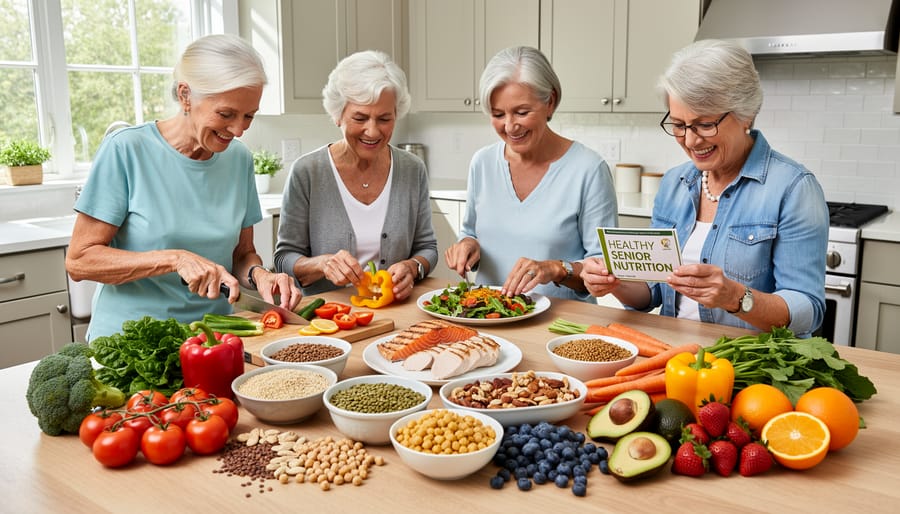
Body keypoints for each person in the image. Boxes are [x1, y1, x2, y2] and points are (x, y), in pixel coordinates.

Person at [582, 39, 828, 337]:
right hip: (676, 361)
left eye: (705, 124)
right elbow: (654, 292)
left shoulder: (793, 188)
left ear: (746, 114)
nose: (690, 140)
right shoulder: (675, 183)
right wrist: (617, 282)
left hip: (750, 366)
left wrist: (736, 298)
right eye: (679, 125)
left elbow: (808, 311)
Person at [66, 34, 302, 341]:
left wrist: (260, 274)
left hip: (214, 339)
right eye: (226, 114)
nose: (238, 129)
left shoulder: (239, 158)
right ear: (185, 95)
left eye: (249, 116)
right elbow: (79, 261)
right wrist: (175, 259)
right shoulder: (127, 149)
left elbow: (242, 254)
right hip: (133, 345)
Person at [444, 46, 617, 302]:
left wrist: (556, 269)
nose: (510, 126)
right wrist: (468, 246)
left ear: (550, 101)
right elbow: (471, 232)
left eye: (522, 112)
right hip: (487, 316)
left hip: (557, 327)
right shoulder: (482, 163)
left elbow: (604, 269)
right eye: (498, 114)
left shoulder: (588, 169)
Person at [274, 50, 437, 300]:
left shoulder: (412, 169)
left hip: (397, 314)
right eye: (360, 117)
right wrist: (322, 264)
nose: (372, 131)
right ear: (338, 115)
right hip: (329, 319)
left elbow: (427, 248)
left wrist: (413, 268)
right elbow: (284, 259)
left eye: (384, 118)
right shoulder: (307, 172)